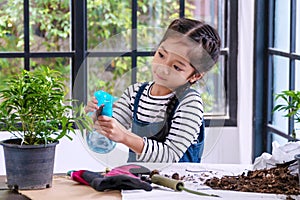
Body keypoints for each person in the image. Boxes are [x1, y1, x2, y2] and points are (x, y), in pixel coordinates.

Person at [85, 17, 221, 163]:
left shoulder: (190, 103)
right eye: (161, 55)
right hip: (139, 181)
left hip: (178, 183)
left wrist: (125, 137)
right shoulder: (135, 93)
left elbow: (170, 155)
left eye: (177, 67)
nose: (163, 68)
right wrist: (95, 117)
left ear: (195, 75)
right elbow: (109, 133)